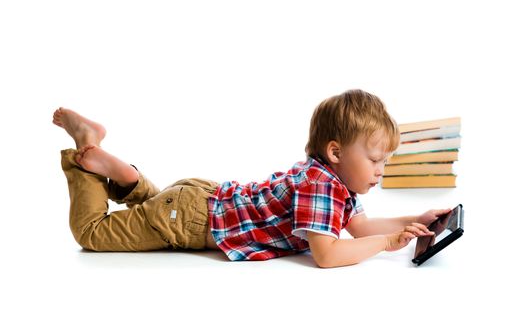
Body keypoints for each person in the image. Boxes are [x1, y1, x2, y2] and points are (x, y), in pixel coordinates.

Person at [53, 89, 450, 268]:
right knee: (92, 232)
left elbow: (359, 226)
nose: (381, 169)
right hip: (192, 219)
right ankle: (85, 149)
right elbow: (327, 255)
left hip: (196, 202)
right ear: (336, 153)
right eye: (376, 159)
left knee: (155, 211)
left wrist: (415, 221)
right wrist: (386, 244)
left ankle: (126, 176)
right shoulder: (321, 186)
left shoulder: (328, 178)